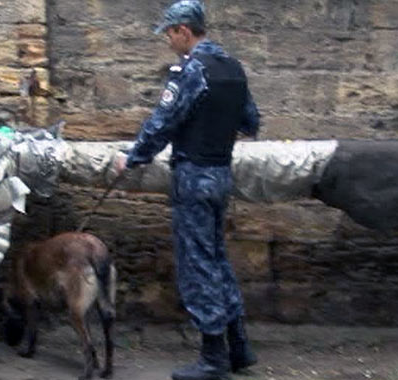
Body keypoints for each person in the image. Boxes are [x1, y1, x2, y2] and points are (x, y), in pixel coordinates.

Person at [113, 1, 260, 379]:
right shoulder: (232, 68)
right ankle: (238, 347)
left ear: (183, 30)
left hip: (193, 177)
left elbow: (162, 122)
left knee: (197, 265)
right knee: (217, 260)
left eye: (169, 33)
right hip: (220, 173)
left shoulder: (191, 70)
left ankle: (213, 359)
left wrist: (133, 157)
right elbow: (251, 121)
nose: (167, 41)